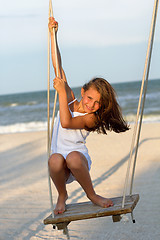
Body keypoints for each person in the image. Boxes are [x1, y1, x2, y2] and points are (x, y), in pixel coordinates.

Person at [48, 17, 129, 215]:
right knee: (54, 160)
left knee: (73, 158)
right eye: (89, 98)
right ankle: (62, 194)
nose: (91, 105)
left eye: (97, 103)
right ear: (83, 92)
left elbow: (66, 123)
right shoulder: (70, 99)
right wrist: (53, 36)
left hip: (78, 161)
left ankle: (91, 194)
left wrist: (59, 92)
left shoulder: (92, 119)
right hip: (60, 162)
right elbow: (58, 66)